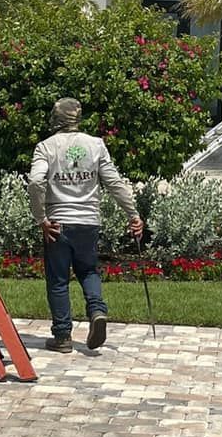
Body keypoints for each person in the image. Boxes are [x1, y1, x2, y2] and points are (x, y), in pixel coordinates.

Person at [27, 97, 143, 353]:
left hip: (57, 224)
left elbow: (35, 182)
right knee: (88, 272)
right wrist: (133, 214)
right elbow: (113, 182)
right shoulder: (96, 145)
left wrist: (41, 219)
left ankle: (62, 337)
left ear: (55, 118)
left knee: (58, 280)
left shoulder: (45, 147)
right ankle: (97, 311)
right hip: (89, 222)